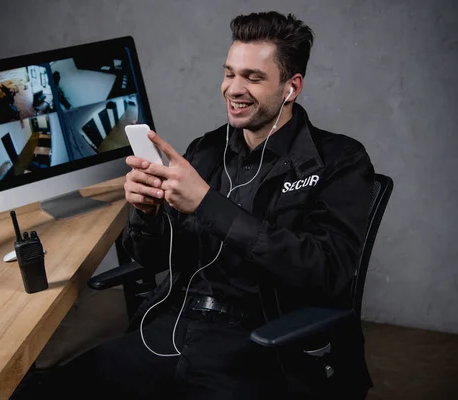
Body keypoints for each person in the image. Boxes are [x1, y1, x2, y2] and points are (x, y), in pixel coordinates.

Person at [33, 11, 375, 399]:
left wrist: (208, 204)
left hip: (260, 343)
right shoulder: (205, 151)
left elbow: (327, 272)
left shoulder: (339, 160)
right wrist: (147, 214)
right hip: (173, 323)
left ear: (291, 87)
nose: (234, 88)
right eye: (230, 73)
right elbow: (153, 258)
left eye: (254, 77)